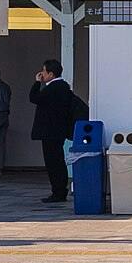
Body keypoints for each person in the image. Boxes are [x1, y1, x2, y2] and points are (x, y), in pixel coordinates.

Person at [28, 59, 87, 204]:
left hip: (50, 131)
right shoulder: (63, 88)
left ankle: (58, 192)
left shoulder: (53, 88)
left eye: (44, 71)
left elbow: (34, 98)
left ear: (51, 74)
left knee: (53, 162)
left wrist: (37, 82)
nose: (41, 74)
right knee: (58, 160)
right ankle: (60, 190)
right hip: (58, 130)